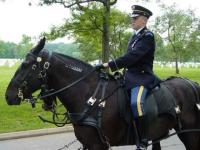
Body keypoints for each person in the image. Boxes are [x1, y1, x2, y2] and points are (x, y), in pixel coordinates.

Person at [99, 5, 160, 150]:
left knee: (136, 104)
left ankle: (144, 141)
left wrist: (110, 64)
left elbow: (133, 57)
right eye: (132, 18)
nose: (132, 20)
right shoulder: (135, 36)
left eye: (135, 18)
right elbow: (128, 58)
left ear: (144, 20)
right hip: (130, 76)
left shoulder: (147, 36)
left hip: (142, 77)